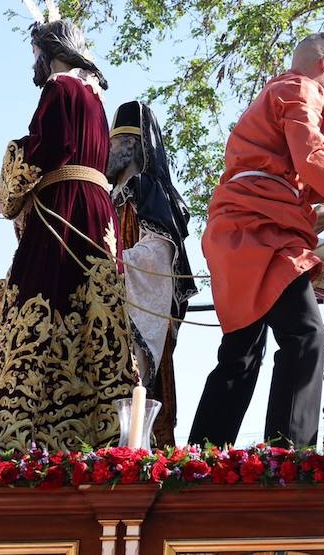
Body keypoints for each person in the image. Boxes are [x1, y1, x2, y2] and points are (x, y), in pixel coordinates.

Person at [189, 33, 324, 448]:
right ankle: (288, 454)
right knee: (305, 334)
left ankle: (200, 457)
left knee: (242, 347)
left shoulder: (276, 94)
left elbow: (287, 171)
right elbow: (310, 157)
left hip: (241, 227)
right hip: (263, 232)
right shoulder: (300, 87)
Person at [0, 16, 140, 452]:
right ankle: (102, 428)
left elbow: (45, 148)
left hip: (64, 206)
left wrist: (12, 169)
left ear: (50, 50)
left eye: (34, 53)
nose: (33, 64)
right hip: (99, 215)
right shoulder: (94, 97)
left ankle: (18, 435)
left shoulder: (59, 88)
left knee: (40, 301)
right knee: (97, 314)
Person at [108, 100, 198, 446]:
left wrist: (113, 263)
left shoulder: (146, 189)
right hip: (109, 303)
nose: (106, 149)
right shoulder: (108, 196)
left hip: (137, 308)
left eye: (113, 142)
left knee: (133, 389)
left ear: (130, 145)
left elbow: (160, 254)